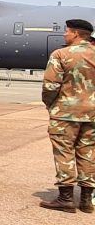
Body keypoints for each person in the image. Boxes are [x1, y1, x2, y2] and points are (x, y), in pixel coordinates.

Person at [39, 18, 95, 213]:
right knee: (88, 153)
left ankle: (66, 198)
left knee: (64, 153)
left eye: (67, 31)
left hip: (65, 114)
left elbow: (50, 86)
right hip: (93, 115)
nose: (64, 34)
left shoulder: (61, 54)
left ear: (76, 34)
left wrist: (50, 104)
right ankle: (87, 201)